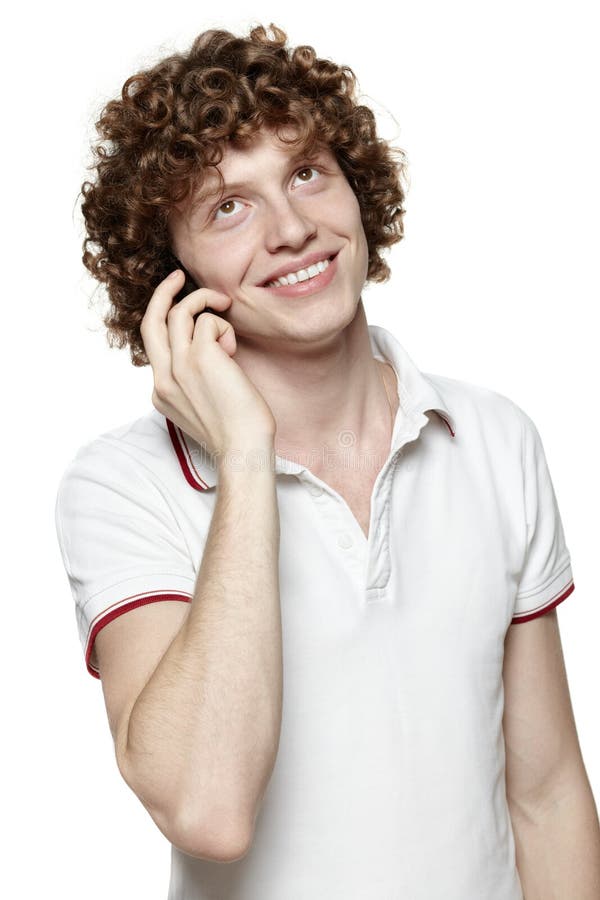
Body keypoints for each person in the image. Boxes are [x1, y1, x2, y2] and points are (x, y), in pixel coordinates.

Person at [54, 22, 600, 900]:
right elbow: (208, 808)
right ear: (170, 274)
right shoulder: (122, 487)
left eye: (306, 173)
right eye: (227, 206)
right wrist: (243, 457)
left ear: (355, 187)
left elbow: (545, 794)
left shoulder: (493, 437)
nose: (293, 229)